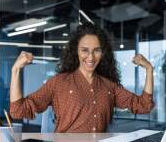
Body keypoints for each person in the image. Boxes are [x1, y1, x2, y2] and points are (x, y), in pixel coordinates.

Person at [9, 22, 155, 133]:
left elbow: (143, 105)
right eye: (85, 50)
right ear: (76, 51)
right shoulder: (58, 83)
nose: (90, 57)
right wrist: (15, 70)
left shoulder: (109, 86)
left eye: (96, 50)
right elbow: (18, 110)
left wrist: (149, 69)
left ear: (102, 53)